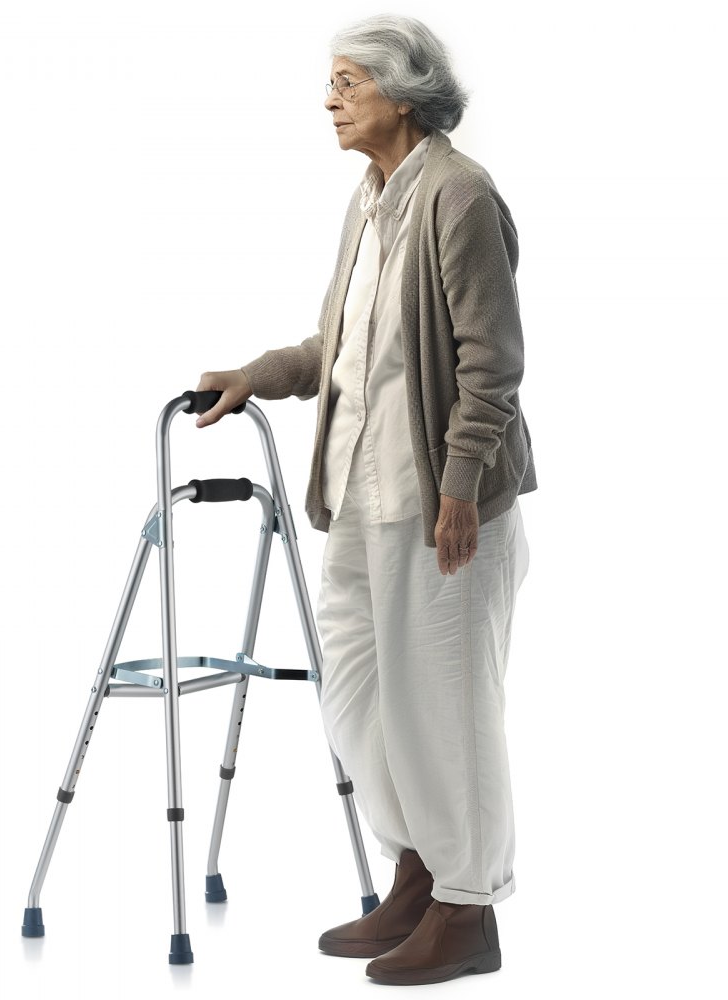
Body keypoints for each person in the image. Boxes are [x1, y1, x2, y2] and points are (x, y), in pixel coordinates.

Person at [195, 14, 536, 986]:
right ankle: (419, 869)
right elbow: (338, 349)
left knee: (445, 707)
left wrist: (462, 485)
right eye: (331, 82)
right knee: (361, 701)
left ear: (401, 91)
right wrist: (258, 373)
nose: (330, 99)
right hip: (360, 498)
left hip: (442, 509)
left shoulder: (458, 196)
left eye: (347, 82)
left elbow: (492, 365)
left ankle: (468, 910)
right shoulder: (372, 198)